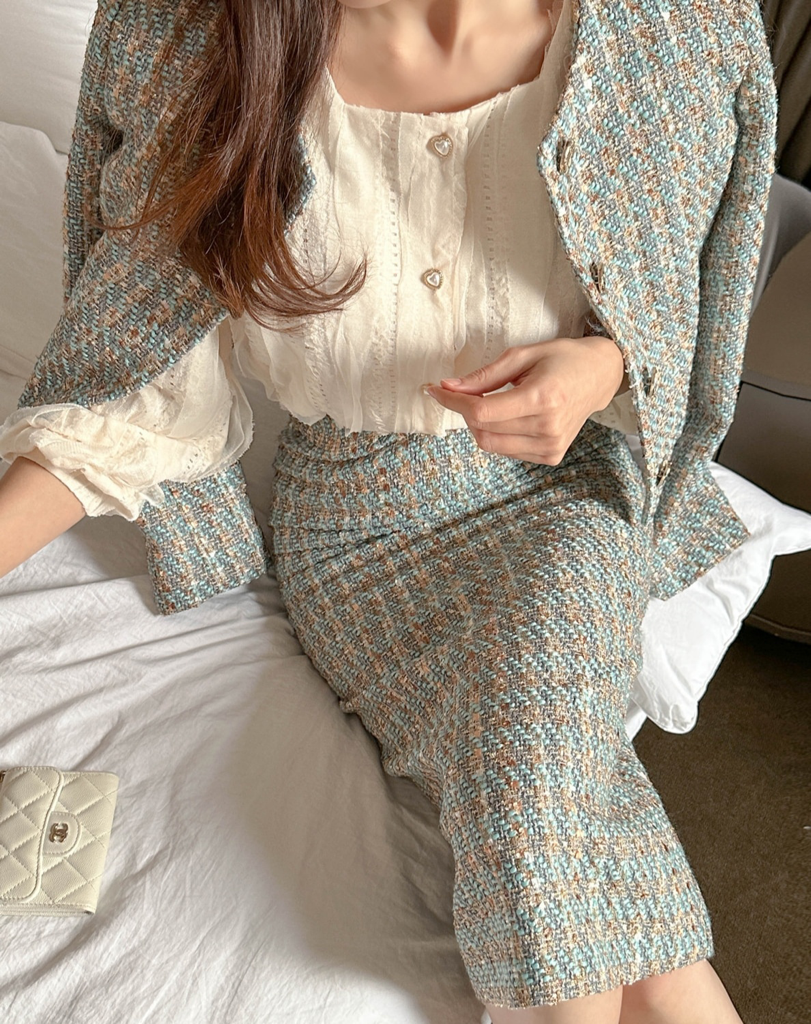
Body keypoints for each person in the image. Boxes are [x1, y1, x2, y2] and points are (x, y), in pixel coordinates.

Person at [0, 0, 777, 1020]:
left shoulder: (670, 30)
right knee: (567, 817)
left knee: (532, 767)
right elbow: (133, 388)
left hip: (563, 492)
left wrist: (603, 366)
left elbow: (688, 303)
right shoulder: (192, 37)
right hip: (352, 529)